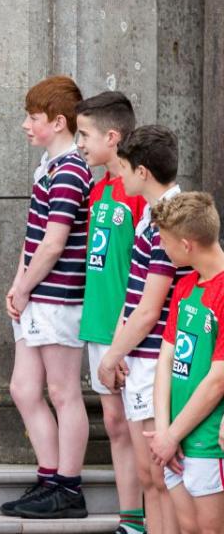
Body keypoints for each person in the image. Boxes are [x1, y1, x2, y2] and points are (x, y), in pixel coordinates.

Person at [2, 75, 92, 519]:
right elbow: (34, 236)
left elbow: (55, 243)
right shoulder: (50, 166)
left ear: (58, 122)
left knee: (62, 391)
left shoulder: (73, 170)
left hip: (59, 297)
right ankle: (50, 476)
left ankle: (68, 487)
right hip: (38, 294)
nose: (25, 124)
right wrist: (19, 285)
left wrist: (25, 285)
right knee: (23, 388)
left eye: (33, 118)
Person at [99, 125, 188, 533]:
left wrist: (111, 356)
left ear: (144, 173)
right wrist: (117, 352)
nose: (119, 176)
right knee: (149, 476)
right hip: (138, 359)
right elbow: (132, 301)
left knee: (163, 478)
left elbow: (150, 309)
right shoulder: (148, 221)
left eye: (124, 169)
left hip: (156, 362)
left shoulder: (170, 221)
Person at [73, 92, 148, 533]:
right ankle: (129, 519)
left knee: (140, 426)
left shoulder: (138, 192)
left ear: (112, 137)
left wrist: (125, 341)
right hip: (97, 323)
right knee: (116, 425)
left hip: (129, 331)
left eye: (85, 135)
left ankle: (154, 516)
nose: (80, 143)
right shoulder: (97, 188)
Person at [148, 192, 224, 534]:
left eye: (165, 242)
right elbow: (165, 361)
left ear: (186, 244)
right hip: (174, 441)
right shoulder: (186, 284)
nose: (163, 249)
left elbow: (218, 379)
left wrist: (172, 434)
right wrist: (165, 431)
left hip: (208, 440)